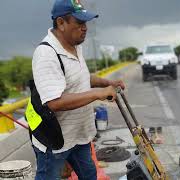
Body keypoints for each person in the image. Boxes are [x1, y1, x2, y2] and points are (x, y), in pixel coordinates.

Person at [31, 0, 125, 179]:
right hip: (56, 142)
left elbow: (81, 78)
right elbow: (54, 102)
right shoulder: (47, 54)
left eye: (86, 23)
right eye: (79, 23)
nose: (85, 28)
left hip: (79, 137)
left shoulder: (75, 46)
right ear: (61, 23)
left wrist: (107, 83)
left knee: (89, 175)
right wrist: (98, 94)